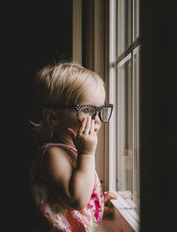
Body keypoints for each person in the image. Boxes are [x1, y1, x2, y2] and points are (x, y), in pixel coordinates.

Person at [30, 62, 116, 231]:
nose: (97, 119)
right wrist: (87, 153)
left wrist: (97, 206)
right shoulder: (53, 153)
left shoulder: (71, 151)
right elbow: (76, 199)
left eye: (100, 110)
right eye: (88, 110)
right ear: (53, 118)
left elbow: (70, 207)